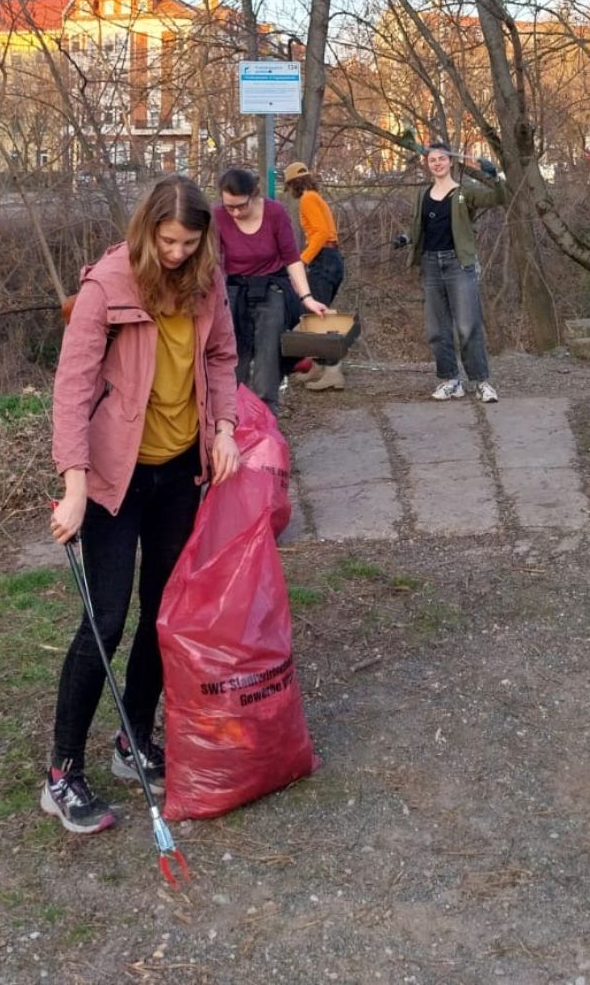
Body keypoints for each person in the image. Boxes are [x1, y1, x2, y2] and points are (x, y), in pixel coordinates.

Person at [44, 176, 241, 835]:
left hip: (178, 472)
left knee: (162, 615)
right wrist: (73, 485)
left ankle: (133, 739)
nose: (179, 253)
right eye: (169, 241)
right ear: (147, 231)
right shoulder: (108, 286)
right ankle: (62, 773)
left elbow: (221, 358)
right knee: (105, 619)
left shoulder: (207, 282)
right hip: (111, 479)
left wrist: (223, 429)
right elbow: (72, 389)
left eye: (190, 241)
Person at [214, 167, 329, 412]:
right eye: (229, 207)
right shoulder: (218, 217)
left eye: (241, 206)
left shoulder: (274, 213)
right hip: (235, 291)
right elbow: (210, 263)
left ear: (253, 195)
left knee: (268, 360)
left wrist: (307, 297)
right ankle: (231, 422)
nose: (235, 212)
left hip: (270, 289)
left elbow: (291, 259)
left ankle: (266, 420)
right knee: (236, 360)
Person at [406, 141, 503, 403]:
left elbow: (499, 197)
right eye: (432, 160)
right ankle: (451, 380)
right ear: (428, 165)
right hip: (430, 265)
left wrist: (492, 175)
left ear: (451, 162)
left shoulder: (464, 193)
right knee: (438, 329)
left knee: (468, 326)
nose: (437, 163)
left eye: (441, 159)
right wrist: (406, 239)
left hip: (458, 265)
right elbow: (420, 227)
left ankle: (481, 382)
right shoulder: (422, 195)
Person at [283, 160, 346, 391]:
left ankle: (332, 370)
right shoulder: (316, 197)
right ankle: (319, 366)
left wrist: (303, 260)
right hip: (331, 258)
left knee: (318, 315)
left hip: (324, 259)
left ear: (293, 185)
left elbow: (319, 233)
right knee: (316, 313)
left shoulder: (308, 199)